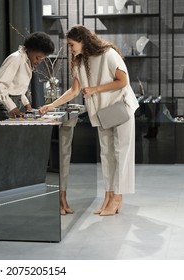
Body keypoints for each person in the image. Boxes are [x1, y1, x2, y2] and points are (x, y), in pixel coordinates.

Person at [39, 25, 139, 216]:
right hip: (102, 113)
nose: (70, 49)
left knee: (122, 153)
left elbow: (122, 81)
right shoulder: (79, 62)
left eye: (71, 44)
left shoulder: (108, 54)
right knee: (107, 155)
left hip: (120, 109)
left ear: (83, 40)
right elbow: (74, 91)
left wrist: (95, 89)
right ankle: (108, 196)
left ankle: (117, 197)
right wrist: (51, 106)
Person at [0, 32, 55, 147]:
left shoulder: (27, 61)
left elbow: (18, 87)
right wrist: (12, 107)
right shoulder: (15, 59)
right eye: (38, 57)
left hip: (13, 103)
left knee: (14, 147)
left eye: (41, 59)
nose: (38, 61)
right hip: (0, 105)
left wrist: (26, 104)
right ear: (30, 49)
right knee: (2, 148)